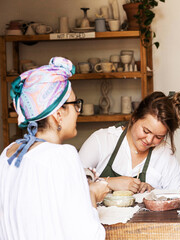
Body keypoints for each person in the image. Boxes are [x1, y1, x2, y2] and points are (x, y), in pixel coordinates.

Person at [0, 57, 109, 240]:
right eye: (75, 104)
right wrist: (91, 194)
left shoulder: (9, 153)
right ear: (58, 114)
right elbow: (89, 236)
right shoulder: (62, 155)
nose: (78, 111)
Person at [79, 91, 180, 193]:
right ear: (134, 118)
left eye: (158, 137)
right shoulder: (102, 140)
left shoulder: (164, 154)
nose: (149, 140)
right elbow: (72, 182)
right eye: (146, 131)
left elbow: (179, 195)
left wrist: (154, 193)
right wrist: (108, 182)